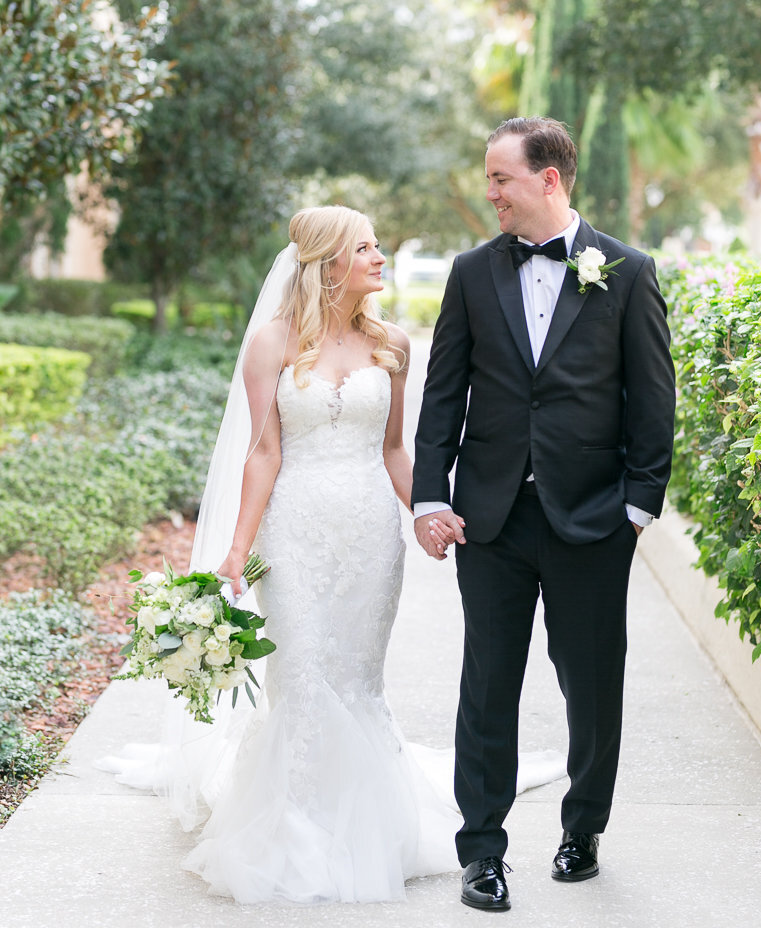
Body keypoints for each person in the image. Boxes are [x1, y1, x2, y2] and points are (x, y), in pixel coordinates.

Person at [100, 203, 566, 905]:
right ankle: (291, 828)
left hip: (371, 536)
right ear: (328, 263)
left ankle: (363, 827)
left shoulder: (392, 344)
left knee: (356, 678)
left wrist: (431, 511)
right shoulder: (272, 343)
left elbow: (394, 450)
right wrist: (235, 552)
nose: (380, 257)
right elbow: (264, 453)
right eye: (366, 248)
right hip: (293, 533)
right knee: (301, 675)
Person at [411, 117, 676, 912]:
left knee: (590, 686)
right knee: (487, 684)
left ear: (548, 179)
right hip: (488, 519)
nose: (490, 193)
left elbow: (653, 400)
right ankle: (481, 853)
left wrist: (636, 509)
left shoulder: (627, 271)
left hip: (593, 519)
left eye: (501, 179)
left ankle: (582, 828)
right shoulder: (470, 272)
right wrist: (431, 495)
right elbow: (443, 393)